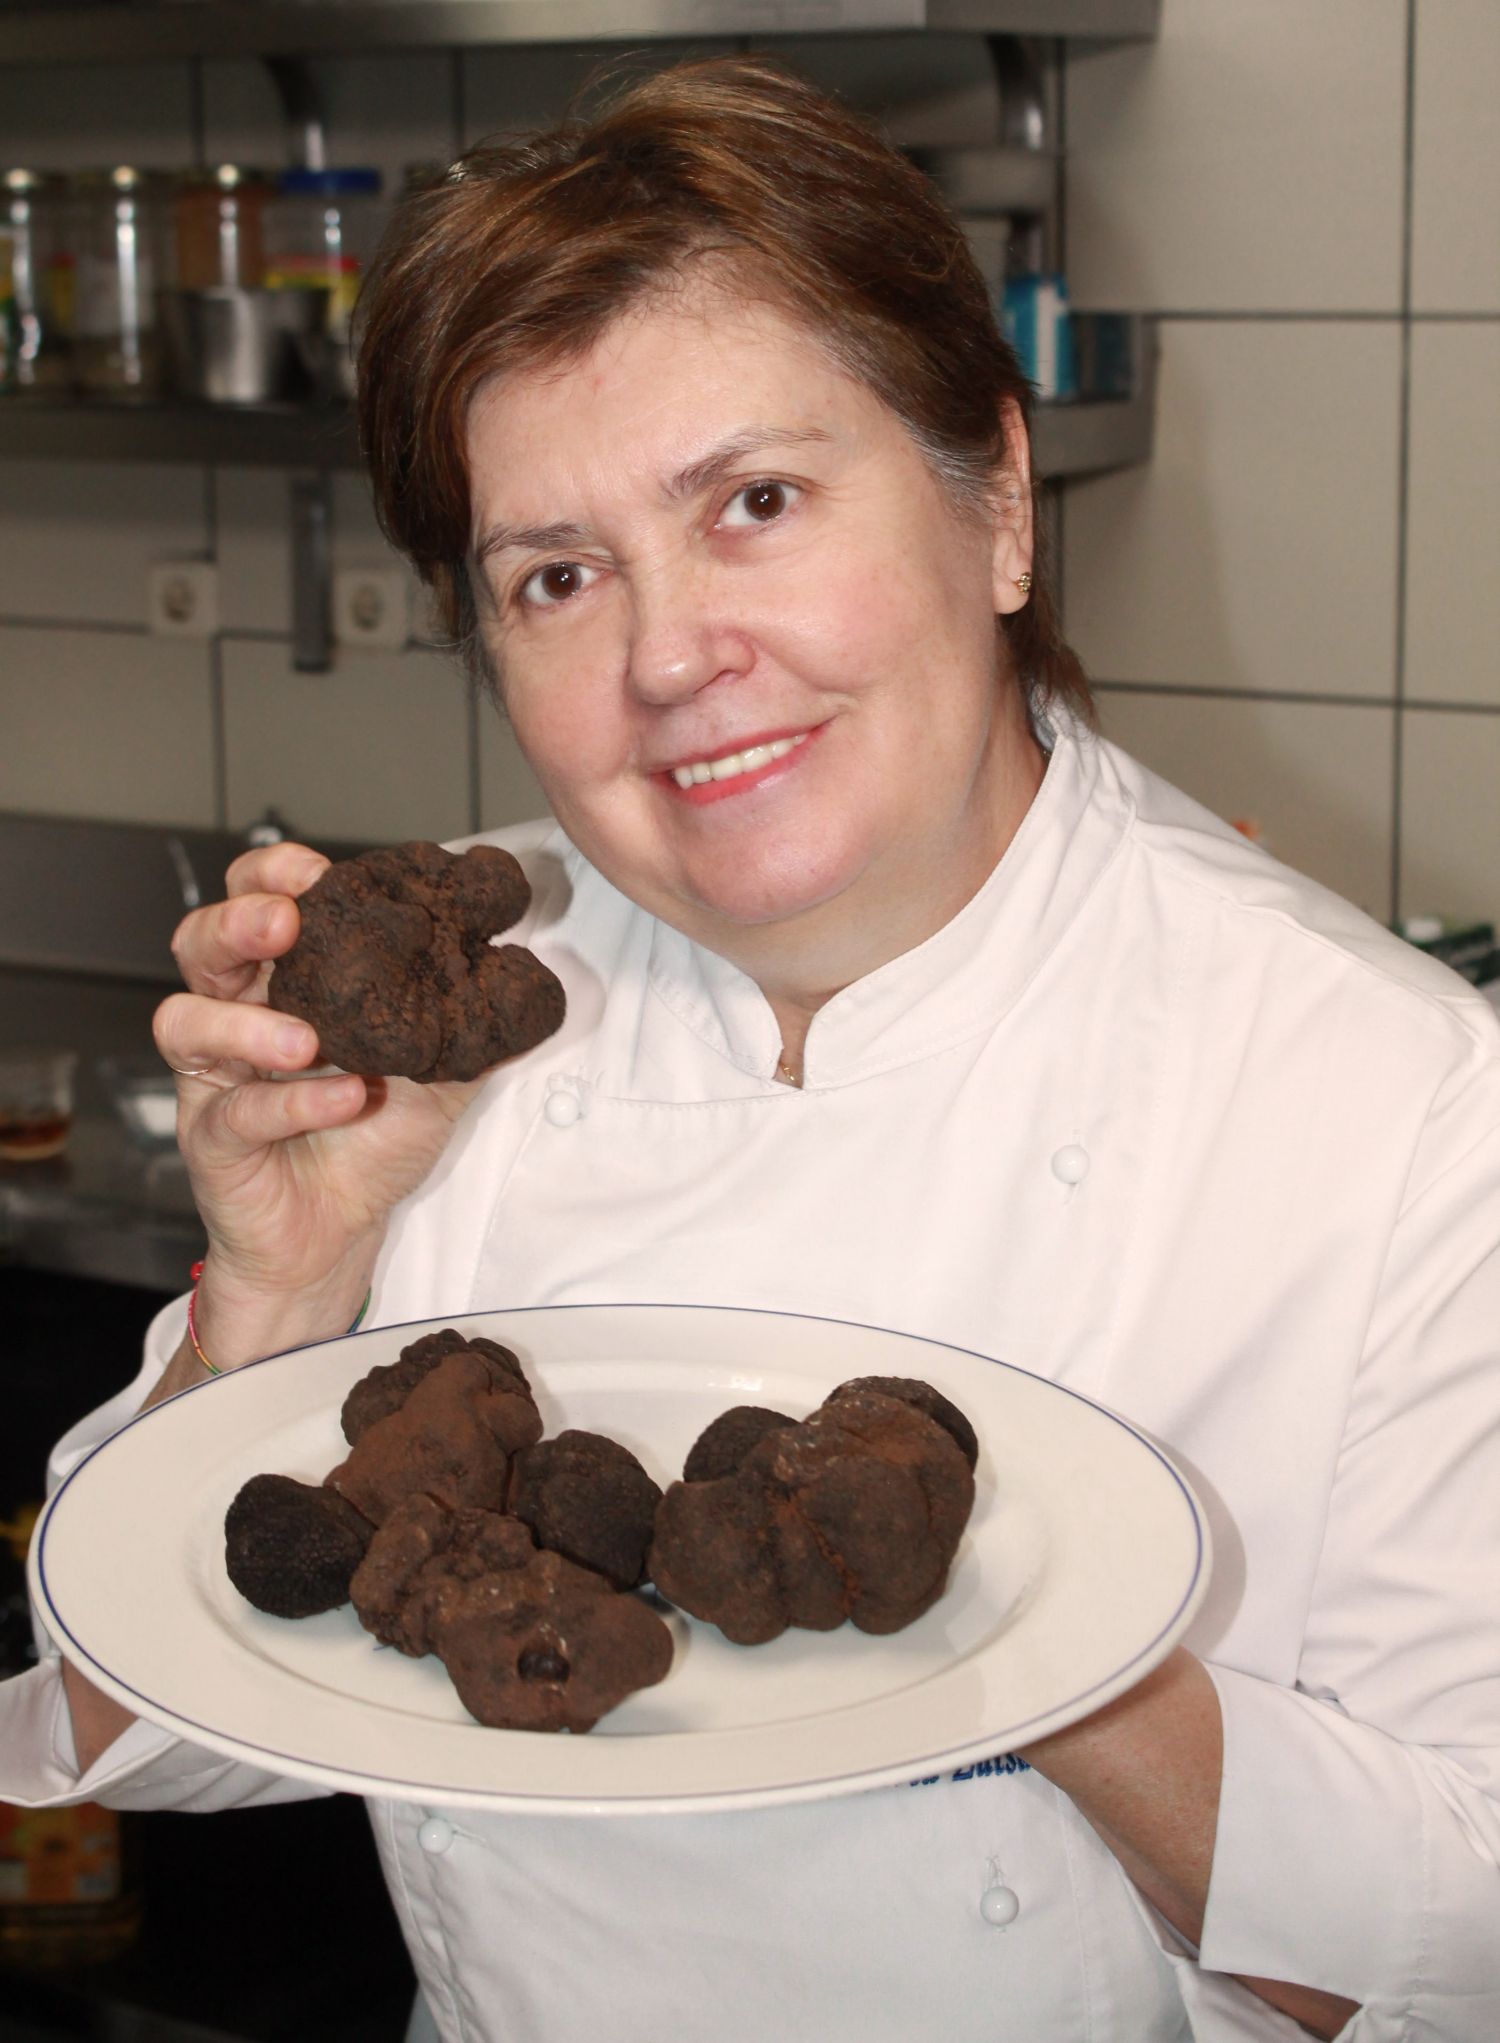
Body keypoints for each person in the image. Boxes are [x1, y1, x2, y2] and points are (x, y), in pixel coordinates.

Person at [4, 57, 1498, 2043]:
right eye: (557, 575)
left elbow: (1463, 1945)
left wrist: (1020, 1623)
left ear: (999, 502)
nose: (669, 653)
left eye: (758, 503)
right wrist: (282, 1296)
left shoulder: (1394, 1100)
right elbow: (130, 1730)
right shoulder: (469, 1008)